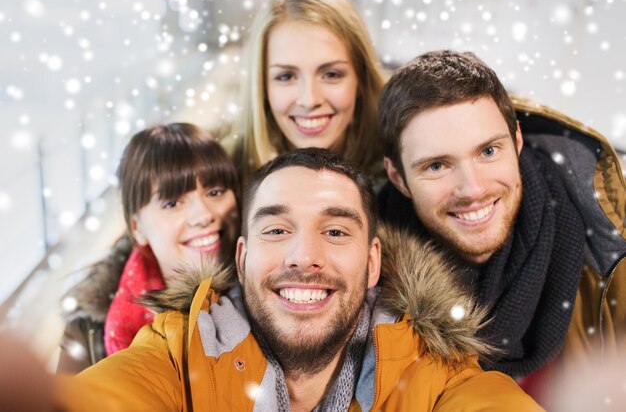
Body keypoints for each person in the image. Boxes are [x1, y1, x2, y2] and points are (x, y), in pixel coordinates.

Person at [54, 148, 542, 411]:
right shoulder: (176, 353)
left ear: (373, 262)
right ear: (241, 260)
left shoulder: (437, 379)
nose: (304, 255)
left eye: (334, 230)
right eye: (276, 229)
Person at [377, 49, 626, 404]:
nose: (473, 189)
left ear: (517, 141)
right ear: (398, 177)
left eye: (488, 151)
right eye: (436, 166)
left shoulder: (611, 267)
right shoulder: (366, 295)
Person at [57, 123, 240, 372]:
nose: (203, 215)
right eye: (172, 203)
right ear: (137, 228)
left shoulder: (272, 297)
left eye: (216, 192)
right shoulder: (88, 337)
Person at [232, 0, 385, 184]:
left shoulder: (400, 174)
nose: (309, 100)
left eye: (331, 74)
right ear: (262, 87)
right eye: (286, 76)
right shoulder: (223, 178)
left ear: (361, 79)